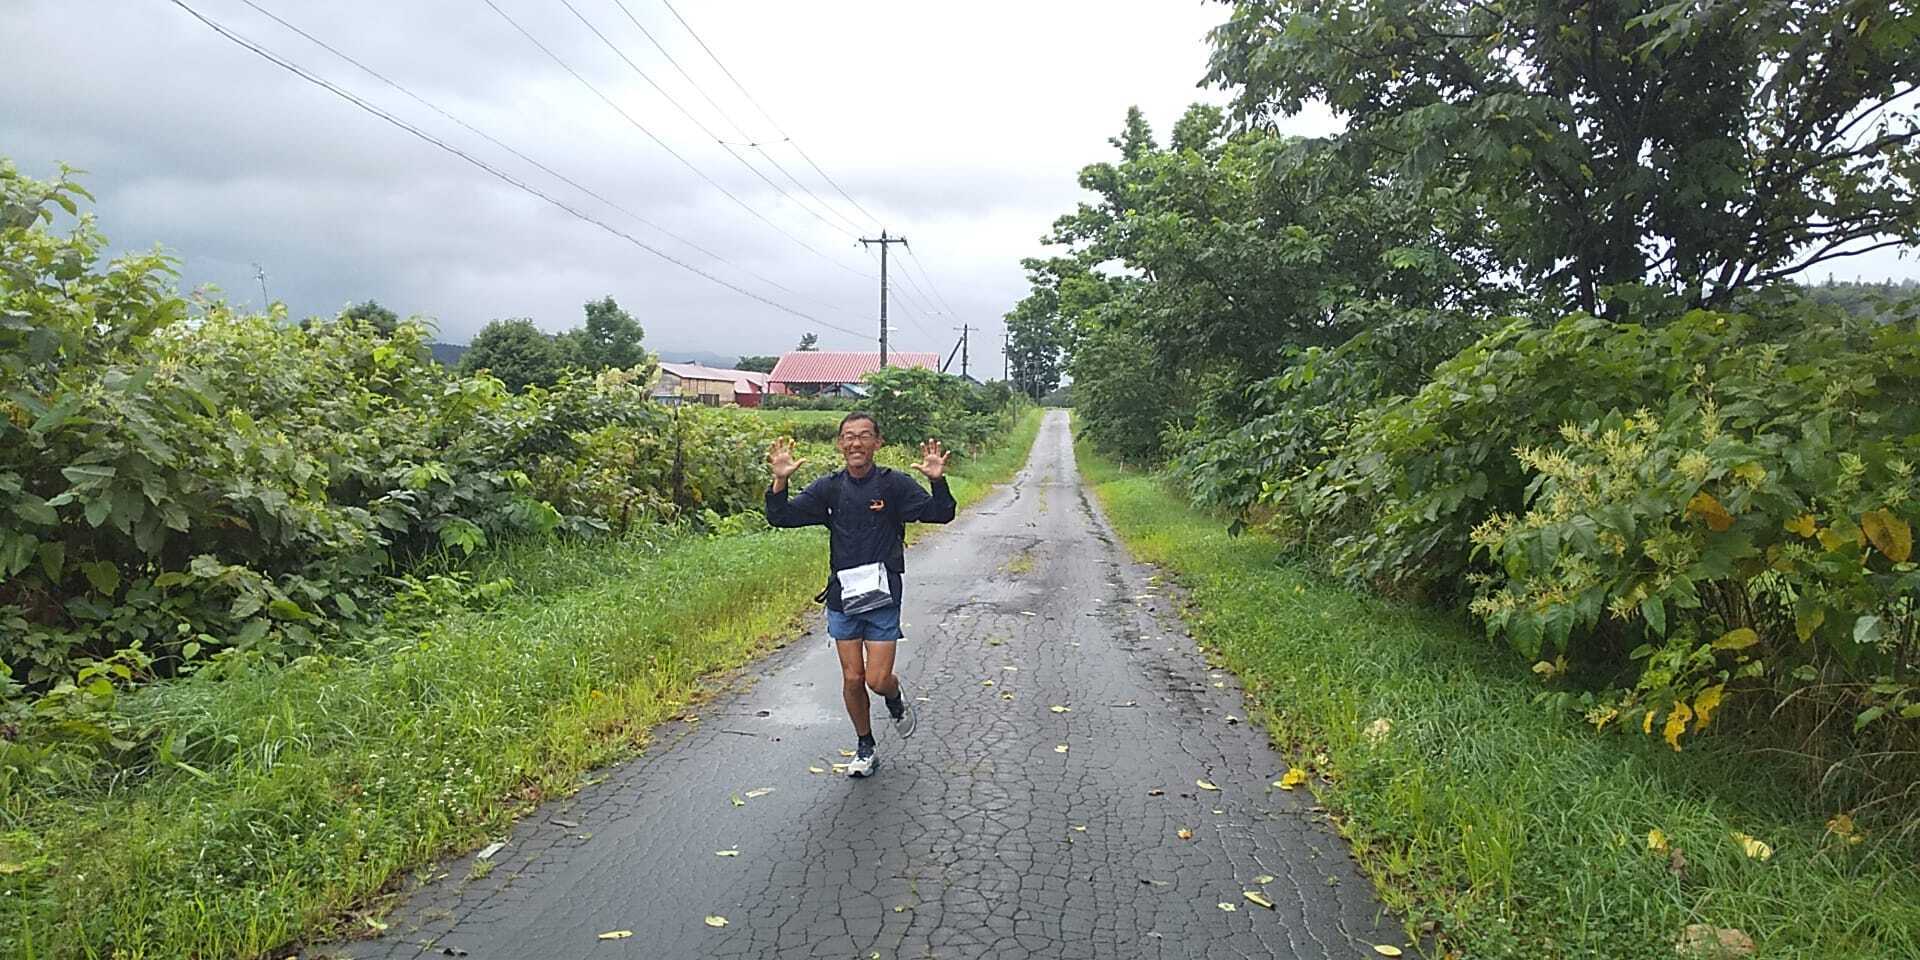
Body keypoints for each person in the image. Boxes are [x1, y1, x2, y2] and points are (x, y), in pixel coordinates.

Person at [765, 412, 954, 777]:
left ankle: (894, 698)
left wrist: (937, 481)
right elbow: (781, 516)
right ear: (840, 444)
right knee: (853, 678)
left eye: (865, 435)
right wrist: (780, 481)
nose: (856, 442)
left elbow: (941, 514)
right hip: (843, 597)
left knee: (877, 680)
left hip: (882, 596)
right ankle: (865, 745)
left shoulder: (893, 485)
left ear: (877, 443)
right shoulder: (830, 488)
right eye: (849, 436)